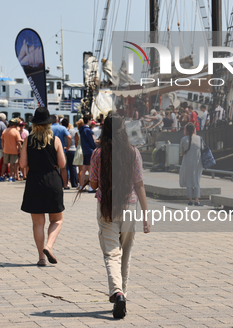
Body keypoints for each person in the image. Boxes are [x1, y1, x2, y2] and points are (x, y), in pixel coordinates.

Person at [80, 113, 150, 319]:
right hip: (129, 207)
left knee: (111, 254)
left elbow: (93, 184)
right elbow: (139, 184)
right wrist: (146, 215)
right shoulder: (133, 153)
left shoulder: (98, 154)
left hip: (106, 208)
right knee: (125, 253)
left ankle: (117, 293)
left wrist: (90, 178)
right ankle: (123, 295)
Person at [19, 107, 65, 266]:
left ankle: (41, 258)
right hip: (52, 180)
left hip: (34, 181)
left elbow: (23, 164)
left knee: (38, 223)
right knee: (57, 219)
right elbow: (62, 164)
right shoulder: (56, 140)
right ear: (49, 124)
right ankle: (49, 246)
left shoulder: (28, 140)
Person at [179, 122, 204, 206]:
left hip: (187, 162)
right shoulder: (199, 138)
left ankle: (190, 200)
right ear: (194, 130)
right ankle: (197, 201)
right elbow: (203, 149)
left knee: (189, 181)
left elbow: (181, 152)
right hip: (197, 162)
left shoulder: (183, 139)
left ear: (186, 130)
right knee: (197, 180)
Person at [51, 115, 71, 189]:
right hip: (61, 150)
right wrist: (67, 147)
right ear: (58, 120)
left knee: (53, 168)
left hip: (51, 150)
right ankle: (65, 185)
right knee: (63, 168)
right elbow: (69, 137)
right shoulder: (62, 128)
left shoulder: (49, 128)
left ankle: (55, 185)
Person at [78, 115, 96, 191]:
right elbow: (91, 141)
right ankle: (91, 187)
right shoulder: (88, 130)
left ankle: (81, 185)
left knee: (84, 169)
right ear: (88, 120)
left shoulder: (81, 130)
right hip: (90, 151)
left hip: (85, 151)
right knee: (91, 169)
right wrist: (95, 147)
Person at [64, 118, 78, 188]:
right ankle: (74, 183)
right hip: (73, 149)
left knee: (65, 168)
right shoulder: (73, 131)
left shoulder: (63, 130)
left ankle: (65, 183)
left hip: (65, 149)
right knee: (73, 167)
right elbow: (76, 140)